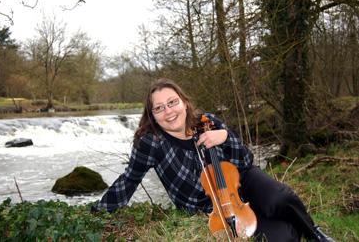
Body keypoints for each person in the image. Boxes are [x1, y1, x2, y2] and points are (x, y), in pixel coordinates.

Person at [92, 78, 335, 242]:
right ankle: (290, 226)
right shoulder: (151, 142)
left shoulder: (207, 122)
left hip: (241, 180)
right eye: (159, 108)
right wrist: (97, 212)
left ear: (184, 102)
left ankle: (315, 234)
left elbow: (246, 160)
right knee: (281, 235)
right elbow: (129, 180)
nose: (168, 111)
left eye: (172, 102)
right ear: (153, 116)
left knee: (279, 198)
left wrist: (225, 137)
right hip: (210, 205)